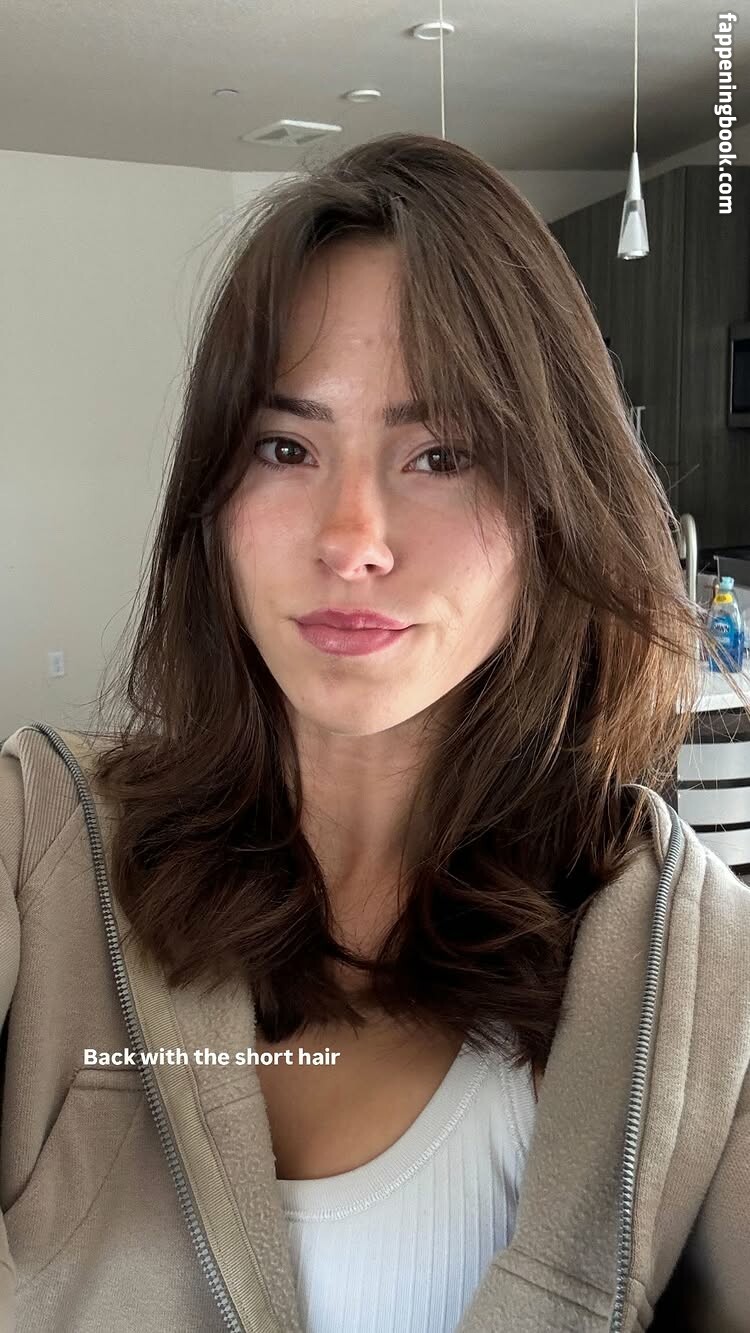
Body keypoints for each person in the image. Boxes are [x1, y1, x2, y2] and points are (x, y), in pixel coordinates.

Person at [1, 131, 749, 1333]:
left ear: (554, 506)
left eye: (441, 454)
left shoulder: (699, 976)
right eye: (285, 447)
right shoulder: (38, 851)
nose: (352, 536)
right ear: (213, 501)